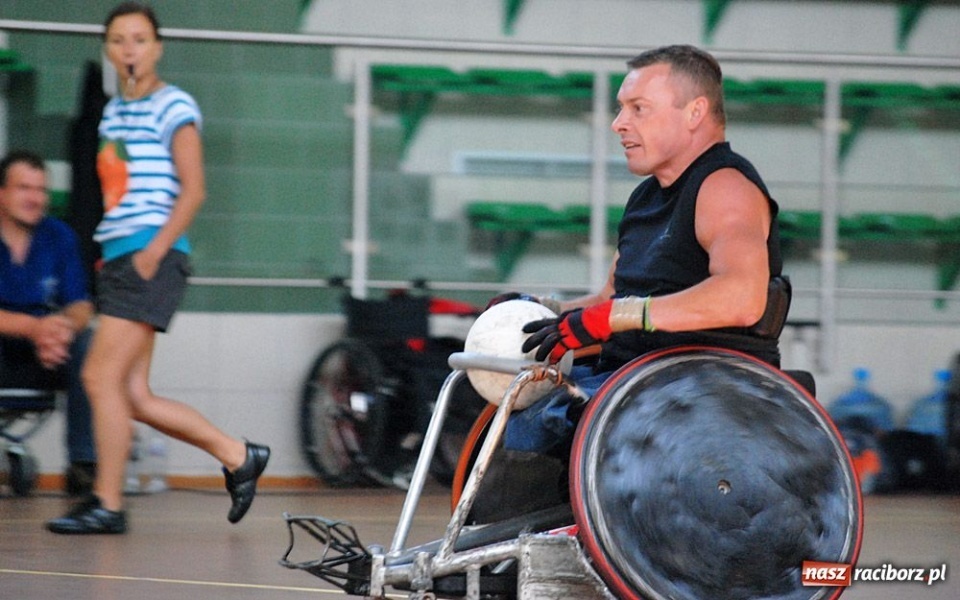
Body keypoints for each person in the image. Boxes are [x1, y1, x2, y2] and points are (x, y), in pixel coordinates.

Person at [498, 44, 788, 459]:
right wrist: (536, 310)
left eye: (638, 108)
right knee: (508, 389)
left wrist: (615, 316)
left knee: (539, 419)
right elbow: (605, 303)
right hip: (634, 376)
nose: (618, 124)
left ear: (694, 113)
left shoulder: (725, 187)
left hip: (699, 387)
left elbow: (743, 297)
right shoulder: (646, 198)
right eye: (621, 109)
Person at [47, 2, 269, 535]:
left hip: (151, 254)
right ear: (108, 49)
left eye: (140, 39)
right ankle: (238, 455)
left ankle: (109, 504)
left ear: (158, 47)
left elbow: (193, 190)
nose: (130, 50)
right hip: (121, 255)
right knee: (133, 396)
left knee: (97, 376)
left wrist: (151, 251)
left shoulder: (174, 105)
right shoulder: (113, 113)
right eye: (119, 40)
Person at [0, 150, 97, 496]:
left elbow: (80, 303)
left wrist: (62, 329)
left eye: (41, 190)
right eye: (24, 188)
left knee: (90, 343)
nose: (35, 198)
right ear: (2, 193)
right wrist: (34, 328)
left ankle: (83, 465)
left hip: (44, 352)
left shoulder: (59, 236)